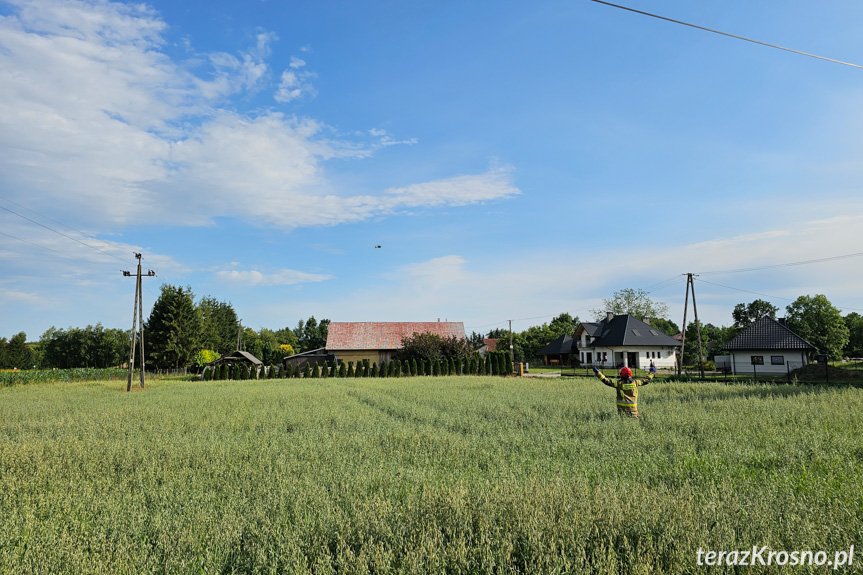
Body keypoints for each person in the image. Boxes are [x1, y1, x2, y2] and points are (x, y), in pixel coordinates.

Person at [592, 364, 656, 418]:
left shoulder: (618, 383)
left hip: (622, 411)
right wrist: (652, 372)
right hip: (633, 411)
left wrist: (598, 373)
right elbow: (646, 380)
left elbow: (606, 381)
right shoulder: (636, 383)